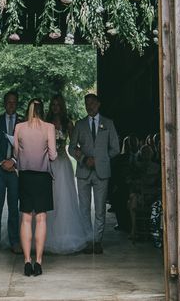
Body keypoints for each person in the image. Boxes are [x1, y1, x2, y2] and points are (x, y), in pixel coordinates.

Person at [68, 93, 119, 254]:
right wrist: (83, 158)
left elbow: (116, 148)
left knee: (100, 209)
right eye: (86, 103)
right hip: (83, 172)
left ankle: (97, 241)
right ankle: (88, 240)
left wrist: (101, 160)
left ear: (98, 104)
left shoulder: (108, 124)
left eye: (92, 103)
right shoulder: (80, 124)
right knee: (84, 208)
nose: (89, 106)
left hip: (102, 173)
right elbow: (71, 147)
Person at [13, 98, 57, 277]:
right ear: (42, 110)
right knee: (41, 220)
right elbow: (53, 156)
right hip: (42, 177)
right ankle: (38, 262)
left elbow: (16, 153)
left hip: (25, 177)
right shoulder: (49, 127)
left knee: (25, 219)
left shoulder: (19, 128)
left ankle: (26, 261)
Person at [44, 94, 88, 254]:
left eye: (58, 104)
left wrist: (80, 154)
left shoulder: (68, 123)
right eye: (53, 104)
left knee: (63, 200)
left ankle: (63, 235)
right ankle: (45, 235)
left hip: (62, 163)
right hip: (48, 163)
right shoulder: (45, 122)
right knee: (48, 199)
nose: (55, 107)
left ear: (62, 106)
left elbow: (75, 143)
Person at [0, 90, 23, 255]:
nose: (11, 105)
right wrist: (2, 161)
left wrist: (13, 161)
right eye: (8, 101)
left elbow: (25, 145)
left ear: (17, 104)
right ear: (4, 103)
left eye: (14, 102)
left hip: (15, 169)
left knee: (14, 206)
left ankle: (15, 241)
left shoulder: (23, 122)